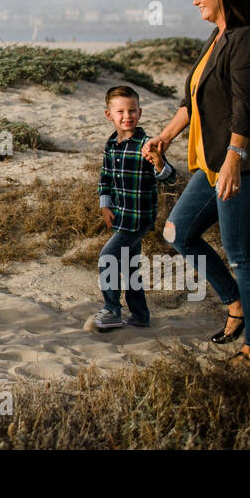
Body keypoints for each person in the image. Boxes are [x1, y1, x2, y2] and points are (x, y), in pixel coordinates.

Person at [144, 0, 250, 364]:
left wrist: (235, 159)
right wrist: (165, 137)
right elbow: (193, 102)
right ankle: (235, 304)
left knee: (242, 256)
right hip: (210, 165)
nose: (195, 1)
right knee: (177, 232)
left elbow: (247, 107)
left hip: (242, 165)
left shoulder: (246, 39)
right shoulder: (216, 37)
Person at [93, 85, 176, 331]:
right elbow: (105, 177)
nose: (127, 116)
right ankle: (140, 315)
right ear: (109, 115)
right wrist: (105, 206)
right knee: (130, 266)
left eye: (132, 111)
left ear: (140, 112)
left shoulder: (147, 145)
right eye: (120, 111)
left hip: (138, 219)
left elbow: (169, 178)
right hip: (120, 216)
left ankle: (111, 310)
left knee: (107, 257)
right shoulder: (111, 144)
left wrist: (160, 163)